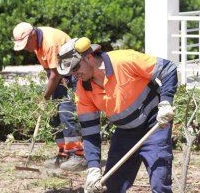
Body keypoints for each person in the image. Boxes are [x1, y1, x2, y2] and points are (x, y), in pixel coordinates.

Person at [57, 37, 178, 192]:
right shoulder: (83, 89)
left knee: (159, 184)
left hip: (155, 126)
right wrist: (93, 167)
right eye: (71, 71)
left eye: (75, 68)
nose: (74, 74)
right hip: (125, 133)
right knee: (112, 186)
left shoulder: (124, 60)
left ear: (89, 57)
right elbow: (90, 131)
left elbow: (168, 69)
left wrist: (166, 102)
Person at [12, 22, 87, 171]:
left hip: (72, 75)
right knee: (54, 116)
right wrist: (49, 95)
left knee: (66, 114)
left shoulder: (50, 42)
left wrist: (44, 97)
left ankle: (78, 156)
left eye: (26, 44)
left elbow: (55, 74)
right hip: (60, 76)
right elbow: (50, 71)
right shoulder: (36, 44)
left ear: (32, 35)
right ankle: (64, 153)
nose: (26, 48)